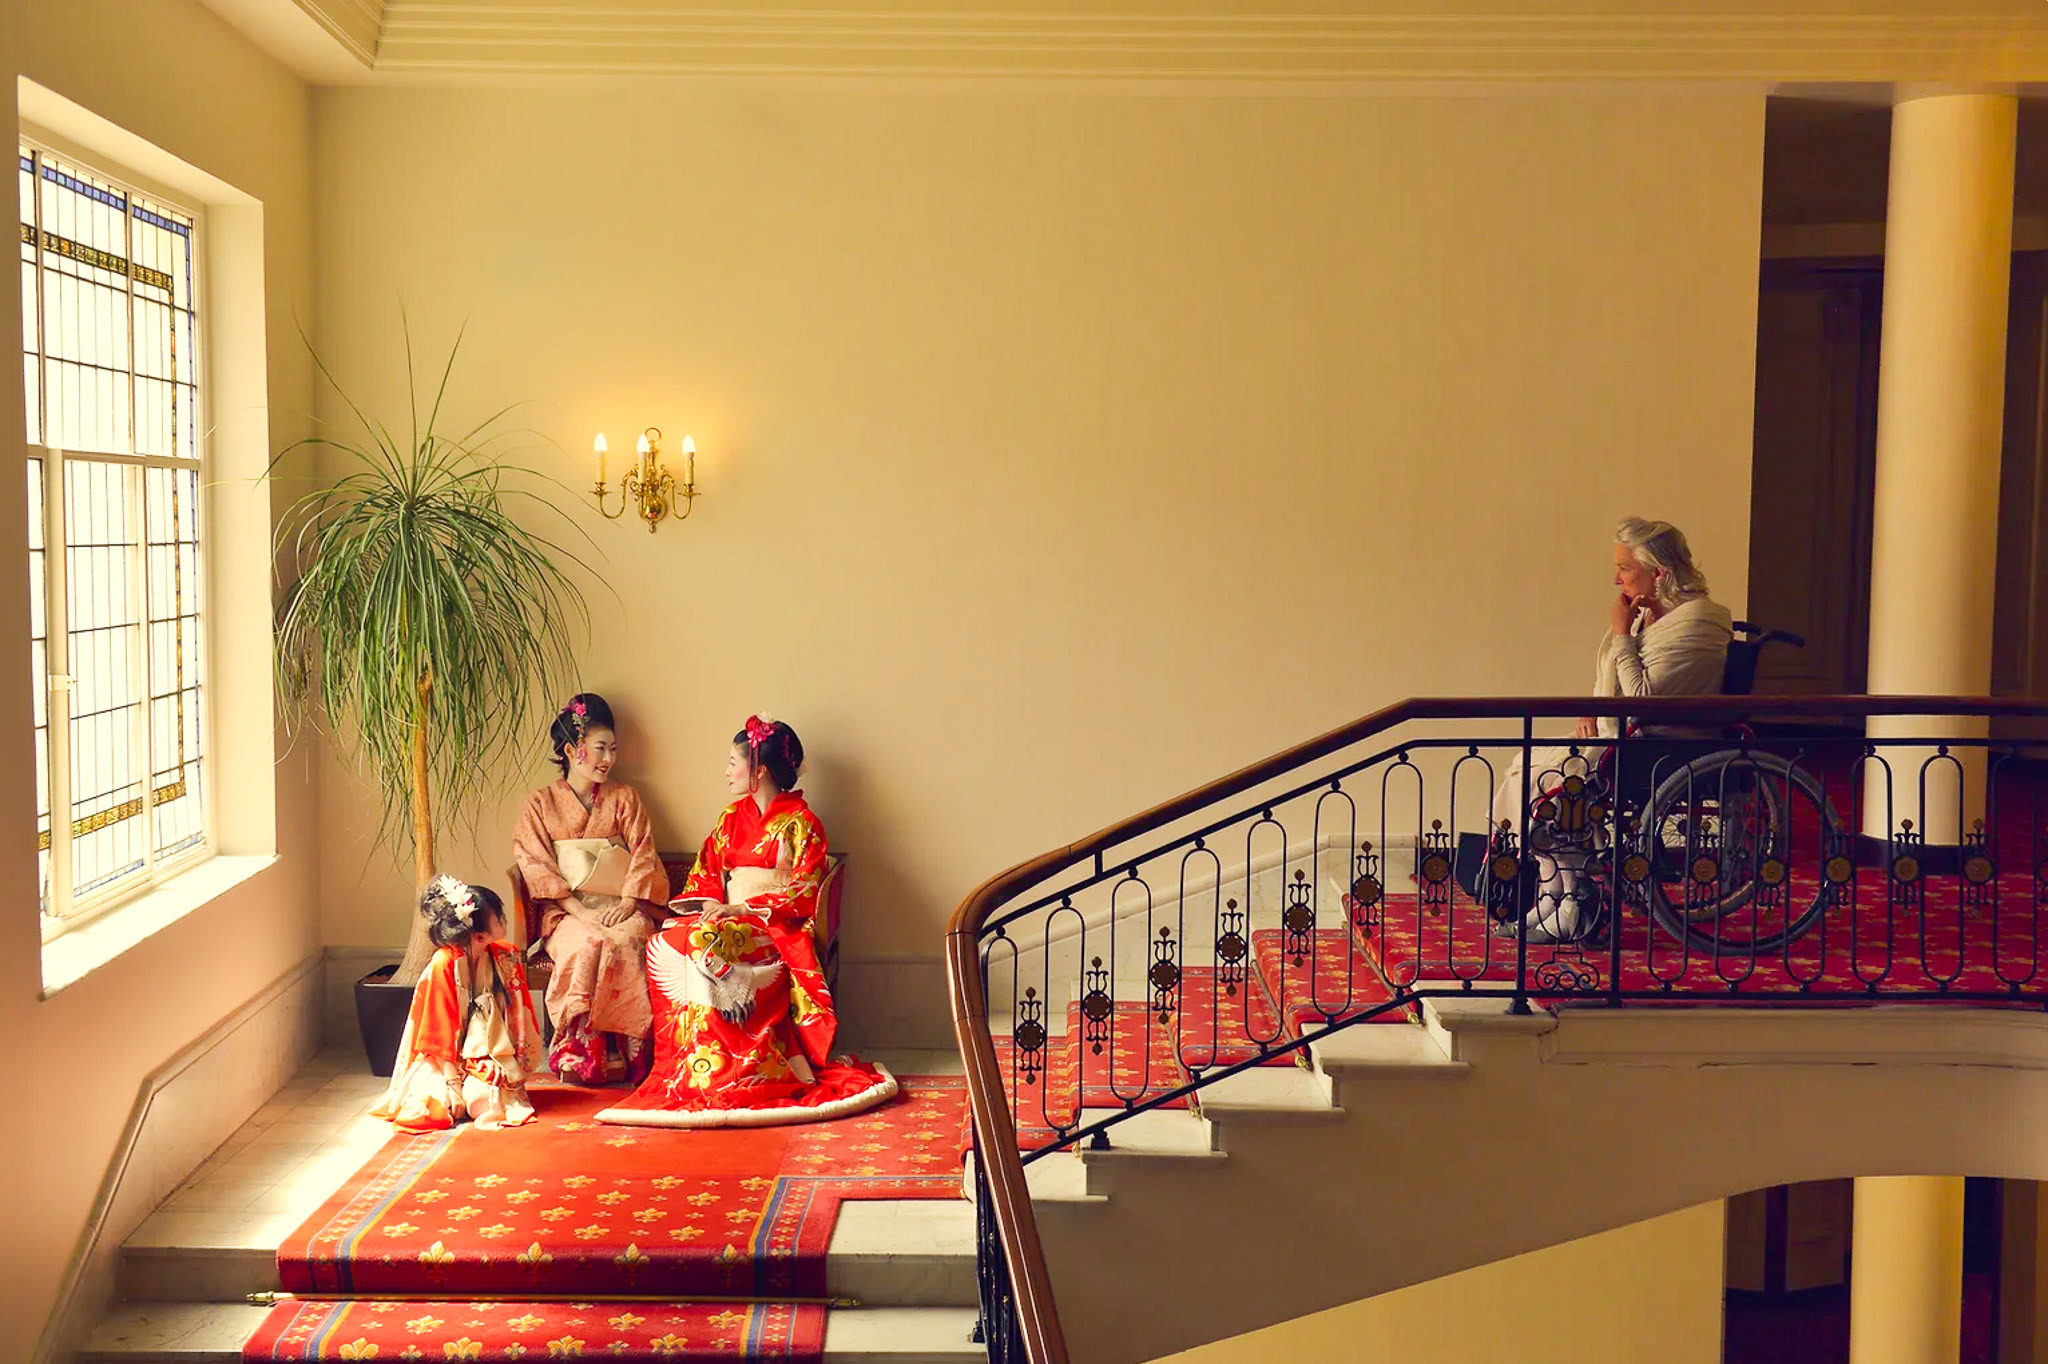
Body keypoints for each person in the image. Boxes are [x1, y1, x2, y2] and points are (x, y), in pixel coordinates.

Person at [596, 715, 897, 1128]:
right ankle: (693, 1063)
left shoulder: (803, 824)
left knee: (707, 941)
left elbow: (803, 891)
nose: (726, 771)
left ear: (759, 772)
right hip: (729, 919)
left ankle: (746, 1068)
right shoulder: (731, 818)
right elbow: (705, 873)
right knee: (666, 943)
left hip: (772, 924)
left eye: (732, 762)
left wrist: (742, 910)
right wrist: (705, 905)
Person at [1489, 518, 1734, 943]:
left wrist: (1621, 633)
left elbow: (1640, 697)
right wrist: (1594, 707)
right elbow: (1619, 685)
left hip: (1664, 747)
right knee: (1525, 769)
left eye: (1624, 568)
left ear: (1658, 573)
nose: (1615, 578)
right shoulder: (1650, 617)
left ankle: (1574, 903)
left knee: (1550, 780)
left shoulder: (1697, 622)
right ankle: (1557, 894)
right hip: (1627, 737)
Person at [511, 693, 671, 1085]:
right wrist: (580, 912)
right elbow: (534, 863)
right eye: (600, 748)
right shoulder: (540, 804)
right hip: (568, 910)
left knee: (629, 941)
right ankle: (582, 1056)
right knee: (586, 945)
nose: (609, 759)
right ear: (571, 750)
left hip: (623, 904)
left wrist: (632, 901)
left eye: (613, 749)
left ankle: (633, 1054)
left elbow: (644, 852)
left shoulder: (625, 798)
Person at [371, 876, 543, 1133]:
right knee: (428, 1109)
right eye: (499, 917)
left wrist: (512, 1062)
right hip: (444, 1058)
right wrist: (453, 1084)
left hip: (488, 1052)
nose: (504, 920)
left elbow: (519, 1017)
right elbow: (436, 1030)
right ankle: (451, 1090)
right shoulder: (443, 963)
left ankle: (476, 1090)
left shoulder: (505, 955)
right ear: (480, 934)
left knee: (481, 1104)